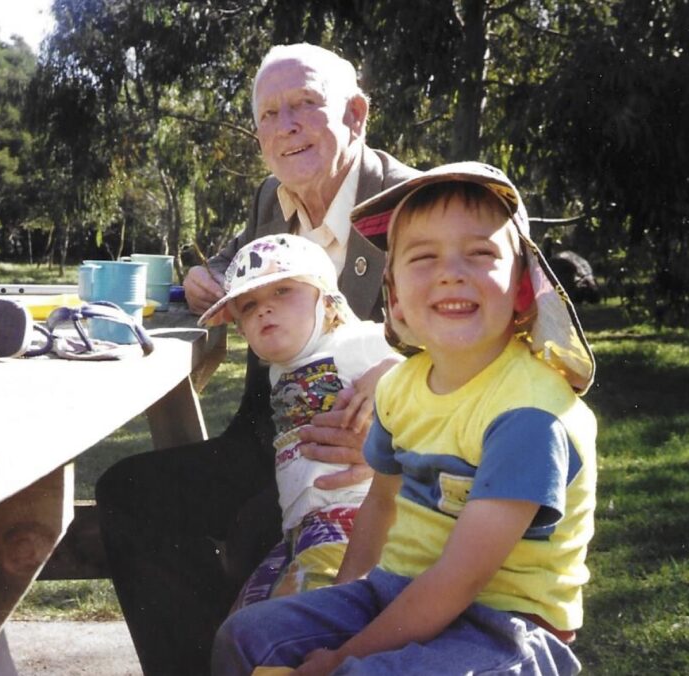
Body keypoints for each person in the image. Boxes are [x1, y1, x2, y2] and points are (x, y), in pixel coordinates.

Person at [95, 43, 419, 674]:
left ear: (356, 113)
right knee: (130, 494)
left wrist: (400, 384)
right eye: (269, 114)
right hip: (274, 439)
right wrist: (207, 275)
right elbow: (243, 258)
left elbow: (515, 334)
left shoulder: (415, 201)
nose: (285, 126)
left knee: (251, 539)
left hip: (385, 470)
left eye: (305, 105)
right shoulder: (274, 198)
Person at [212, 161, 598, 676]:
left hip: (502, 627)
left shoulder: (529, 416)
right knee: (247, 637)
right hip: (394, 590)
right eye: (422, 257)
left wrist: (344, 654)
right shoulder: (399, 386)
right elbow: (380, 506)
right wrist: (343, 605)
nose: (449, 271)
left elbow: (459, 581)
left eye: (480, 253)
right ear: (394, 298)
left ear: (524, 287)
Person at [197, 234, 401, 608]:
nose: (264, 310)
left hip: (351, 520)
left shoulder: (353, 341)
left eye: (283, 291)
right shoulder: (281, 371)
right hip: (300, 529)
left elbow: (429, 359)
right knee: (246, 616)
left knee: (300, 619)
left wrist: (389, 372)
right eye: (249, 305)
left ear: (326, 301)